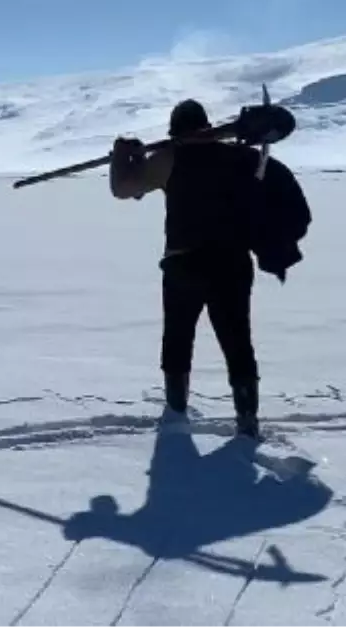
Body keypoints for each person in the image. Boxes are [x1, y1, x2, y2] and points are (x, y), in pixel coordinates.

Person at [108, 98, 275, 439]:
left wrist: (121, 156)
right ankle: (247, 419)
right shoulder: (239, 156)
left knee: (177, 339)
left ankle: (176, 410)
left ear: (174, 131)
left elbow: (123, 189)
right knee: (237, 341)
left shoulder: (169, 158)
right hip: (232, 264)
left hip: (184, 264)